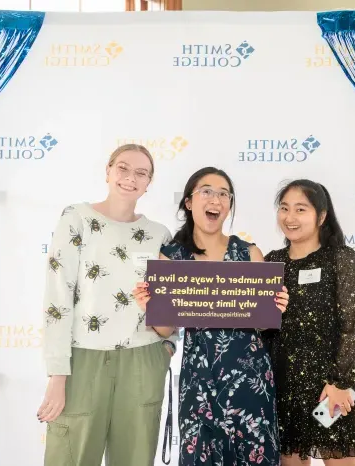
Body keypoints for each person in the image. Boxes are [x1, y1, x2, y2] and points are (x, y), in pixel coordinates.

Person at [133, 166, 289, 466]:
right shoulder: (172, 257)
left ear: (229, 205)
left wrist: (275, 308)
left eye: (223, 194)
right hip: (199, 382)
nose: (215, 199)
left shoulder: (249, 253)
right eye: (206, 191)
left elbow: (262, 323)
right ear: (189, 202)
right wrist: (149, 307)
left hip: (249, 378)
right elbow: (166, 329)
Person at [37, 144, 178, 466]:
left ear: (149, 182)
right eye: (123, 168)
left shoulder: (160, 235)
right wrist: (58, 375)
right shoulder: (77, 218)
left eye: (141, 173)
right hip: (83, 360)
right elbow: (58, 299)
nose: (131, 178)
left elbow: (171, 305)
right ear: (108, 171)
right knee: (69, 457)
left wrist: (166, 346)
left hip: (144, 360)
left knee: (135, 459)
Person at [264, 180, 355, 466]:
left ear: (321, 216)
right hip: (284, 389)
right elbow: (261, 329)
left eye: (300, 209)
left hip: (329, 390)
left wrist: (341, 383)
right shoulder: (271, 263)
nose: (290, 217)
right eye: (284, 208)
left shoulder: (341, 259)